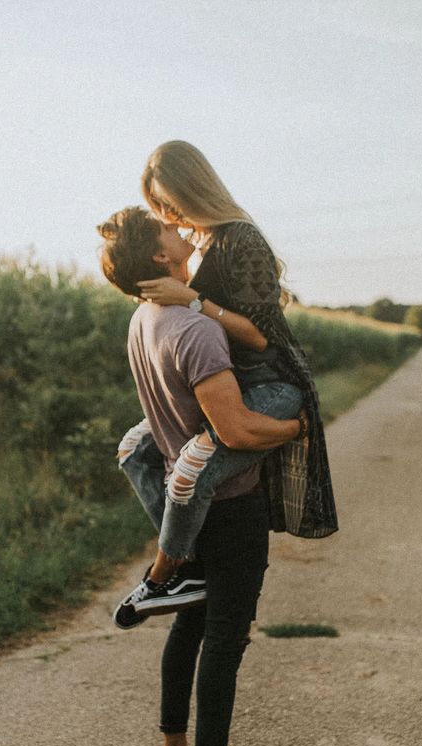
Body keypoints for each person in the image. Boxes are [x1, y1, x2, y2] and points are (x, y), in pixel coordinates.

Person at [97, 206, 305, 627]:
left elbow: (256, 342)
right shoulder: (195, 329)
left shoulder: (143, 317)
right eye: (163, 227)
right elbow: (235, 431)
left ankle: (179, 569)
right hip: (230, 503)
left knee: (132, 448)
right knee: (223, 636)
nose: (175, 223)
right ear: (159, 256)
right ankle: (165, 574)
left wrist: (195, 300)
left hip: (250, 407)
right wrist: (300, 428)